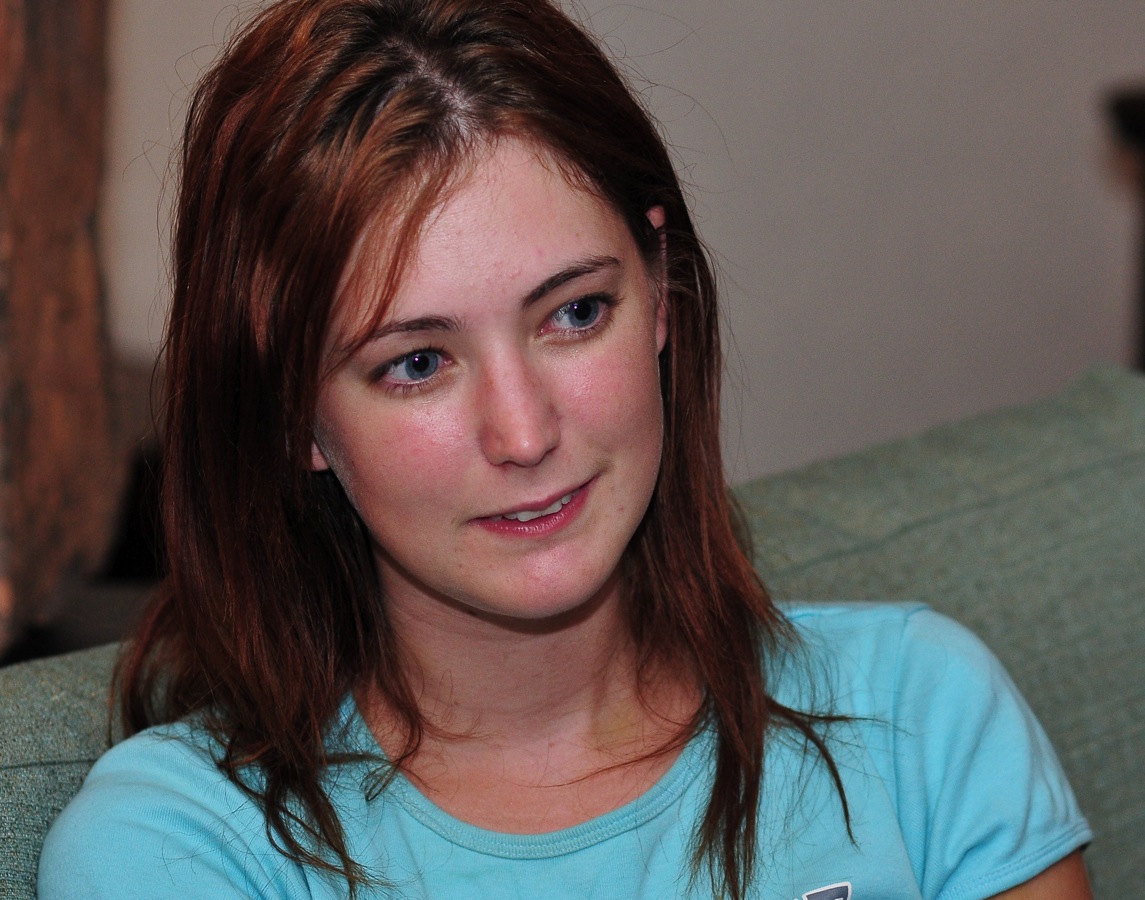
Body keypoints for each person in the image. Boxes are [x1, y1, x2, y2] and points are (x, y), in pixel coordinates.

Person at [39, 0, 1092, 897]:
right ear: (290, 413)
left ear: (660, 299)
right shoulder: (182, 851)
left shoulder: (919, 713)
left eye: (574, 313)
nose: (526, 432)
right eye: (414, 364)